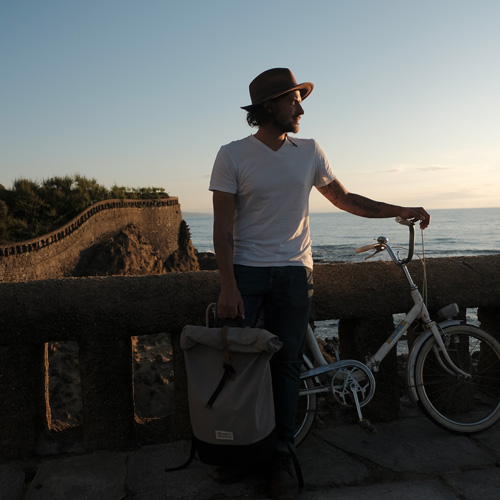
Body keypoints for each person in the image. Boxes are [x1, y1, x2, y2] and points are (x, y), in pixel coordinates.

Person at [209, 68, 430, 500]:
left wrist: (399, 208)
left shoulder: (309, 151)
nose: (301, 107)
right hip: (248, 273)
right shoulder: (231, 154)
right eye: (293, 100)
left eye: (299, 99)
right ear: (268, 105)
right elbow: (222, 230)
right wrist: (228, 286)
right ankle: (241, 454)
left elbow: (345, 199)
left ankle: (280, 458)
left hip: (295, 272)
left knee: (286, 365)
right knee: (240, 366)